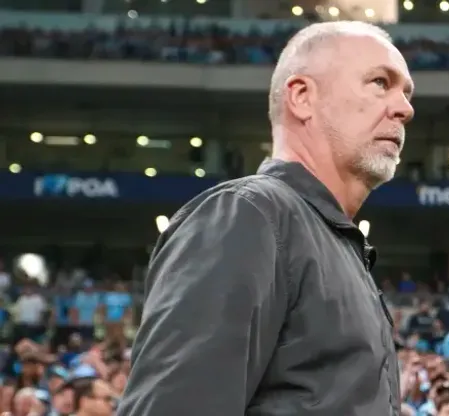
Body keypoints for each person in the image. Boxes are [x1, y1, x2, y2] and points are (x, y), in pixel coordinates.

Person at [118, 20, 414, 416]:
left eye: (406, 93)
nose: (405, 108)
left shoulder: (332, 240)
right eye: (380, 82)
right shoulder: (251, 214)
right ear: (302, 97)